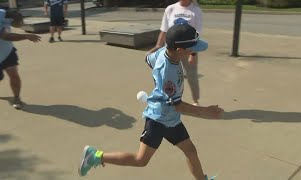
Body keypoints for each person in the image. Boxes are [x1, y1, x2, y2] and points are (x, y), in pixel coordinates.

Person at [78, 24, 224, 180]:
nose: (194, 52)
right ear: (180, 50)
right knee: (140, 160)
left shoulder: (163, 52)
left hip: (170, 118)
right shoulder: (168, 73)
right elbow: (179, 105)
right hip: (158, 120)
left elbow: (148, 58)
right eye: (192, 49)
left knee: (190, 150)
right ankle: (95, 156)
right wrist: (206, 111)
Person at [149, 0, 203, 106]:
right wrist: (157, 46)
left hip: (188, 50)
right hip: (171, 51)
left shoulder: (196, 10)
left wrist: (194, 54)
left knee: (191, 76)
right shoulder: (170, 9)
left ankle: (195, 101)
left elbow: (198, 34)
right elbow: (164, 30)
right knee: (167, 75)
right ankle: (168, 98)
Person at [0, 9, 41, 109]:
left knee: (14, 74)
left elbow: (17, 23)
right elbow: (5, 36)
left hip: (7, 52)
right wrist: (26, 36)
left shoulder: (3, 13)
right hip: (5, 42)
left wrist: (19, 20)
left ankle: (17, 97)